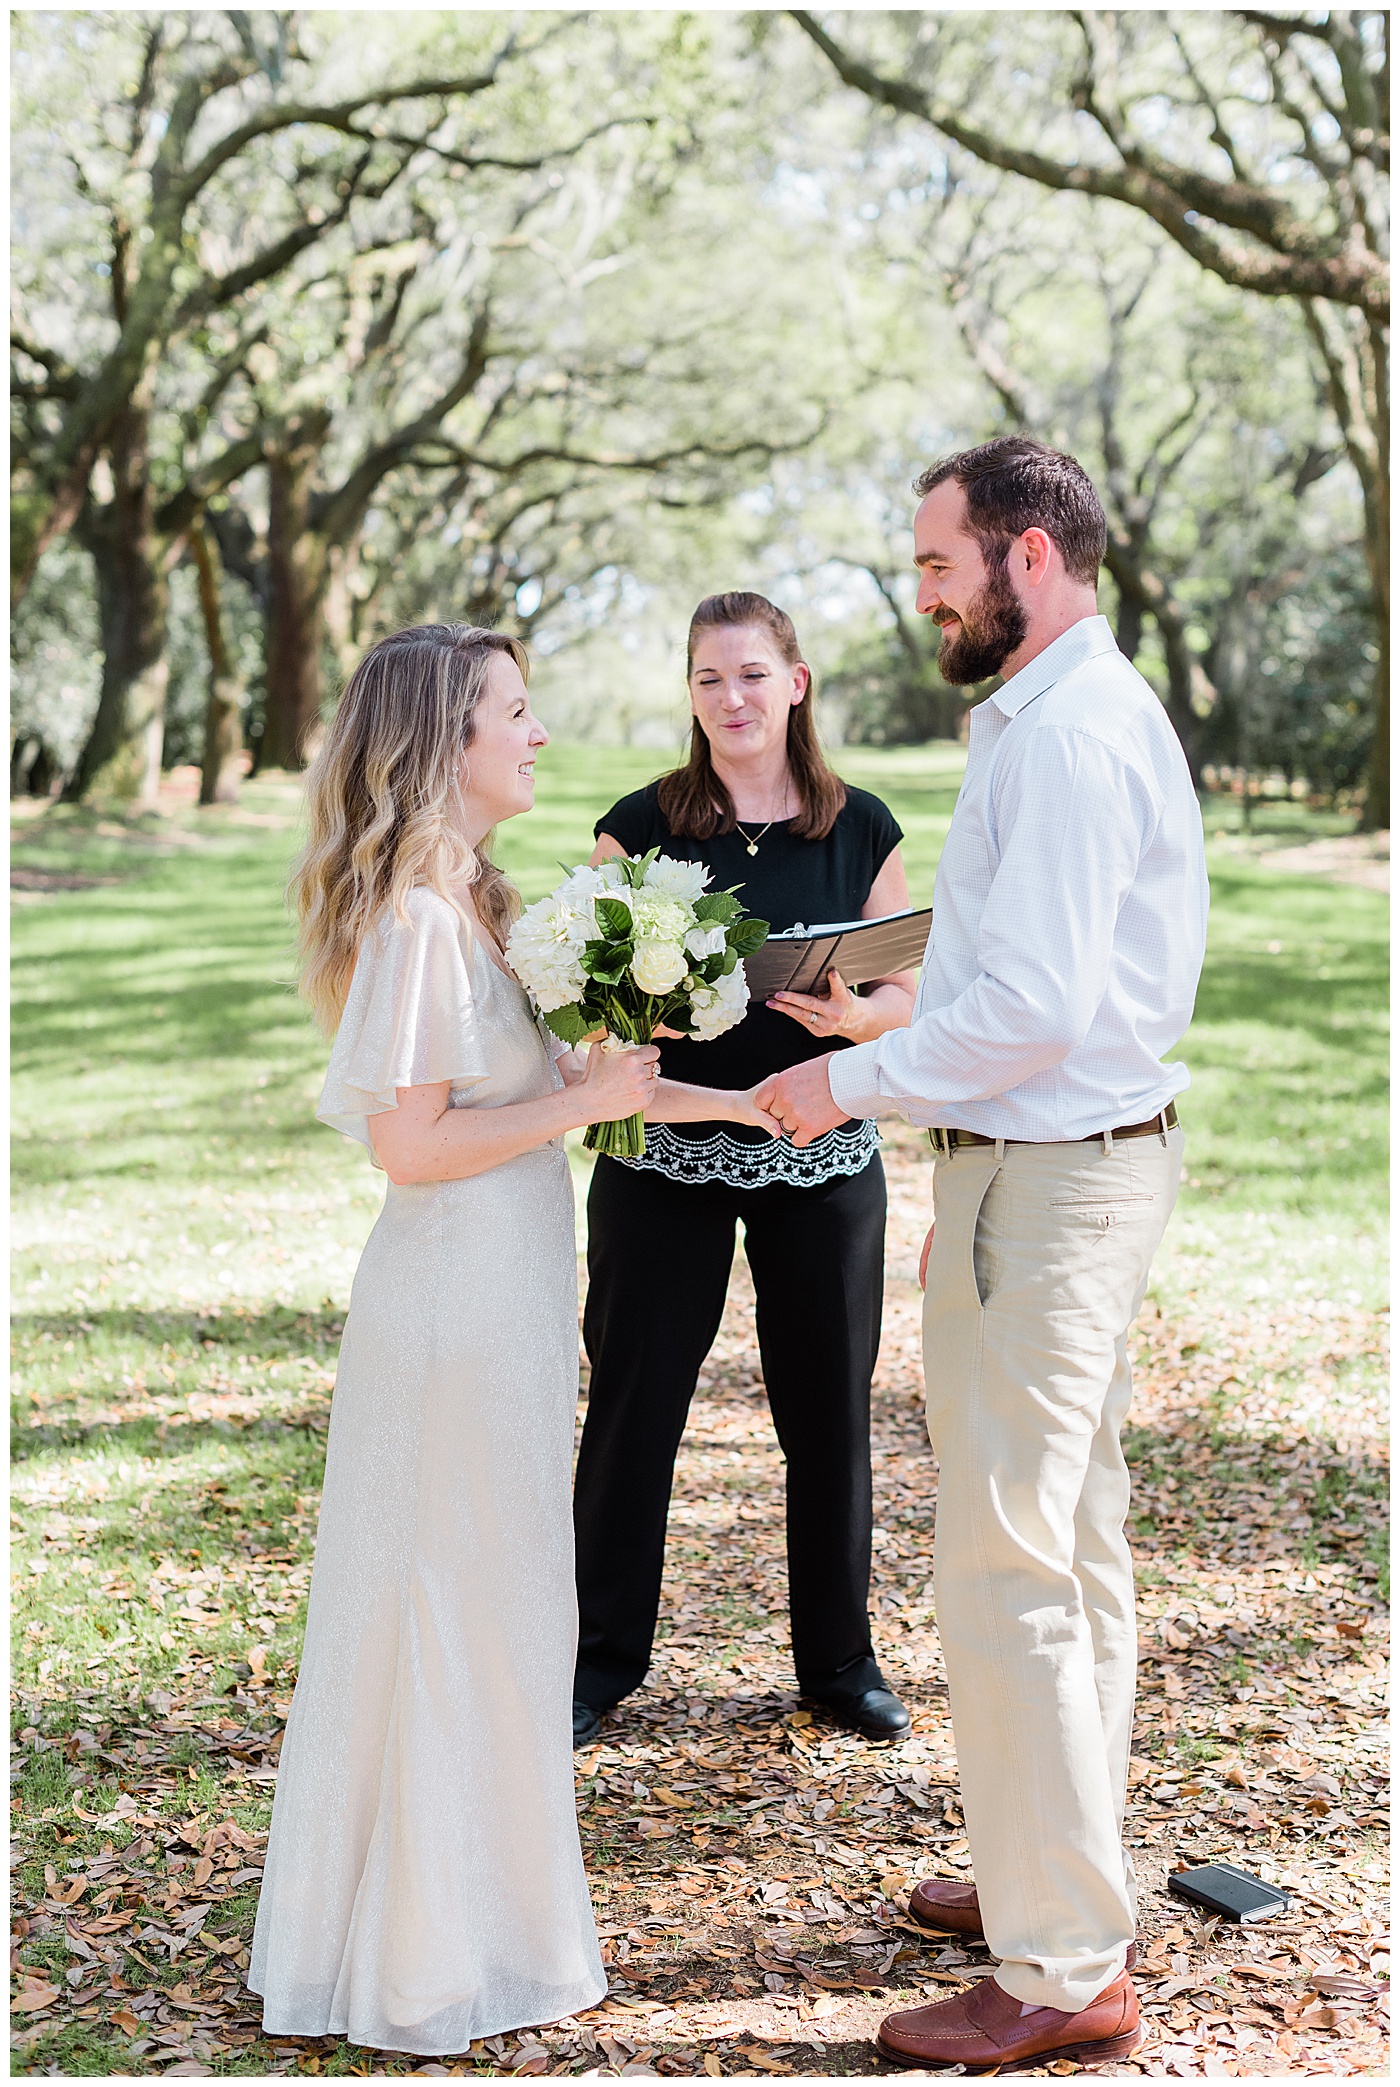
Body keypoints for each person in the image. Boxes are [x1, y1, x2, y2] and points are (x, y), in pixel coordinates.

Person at [250, 622, 777, 2055]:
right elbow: (409, 1145)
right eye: (516, 713)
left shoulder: (477, 901)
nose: (539, 737)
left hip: (517, 1290)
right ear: (446, 741)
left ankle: (484, 1915)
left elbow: (571, 1091)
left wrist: (745, 1103)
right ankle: (428, 1958)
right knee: (459, 1600)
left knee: (507, 1599)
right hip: (454, 1303)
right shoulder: (418, 917)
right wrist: (579, 1097)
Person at [758, 439, 1208, 2072]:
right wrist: (890, 1012)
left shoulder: (1076, 736)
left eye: (940, 559)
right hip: (1051, 1163)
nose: (924, 586)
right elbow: (1015, 979)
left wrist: (842, 1079)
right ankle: (1057, 1872)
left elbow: (1040, 1015)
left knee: (1011, 1564)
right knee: (1069, 1543)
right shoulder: (1045, 715)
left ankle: (1061, 1963)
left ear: (1028, 557)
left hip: (1056, 1175)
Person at [571, 590, 918, 1751]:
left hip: (823, 1154)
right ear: (689, 694)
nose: (731, 698)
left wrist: (852, 1016)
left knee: (826, 1415)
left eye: (752, 675)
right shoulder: (634, 826)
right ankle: (597, 1658)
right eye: (709, 678)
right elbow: (594, 1021)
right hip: (663, 1154)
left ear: (796, 684)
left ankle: (838, 1661)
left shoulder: (861, 825)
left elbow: (907, 999)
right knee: (632, 1411)